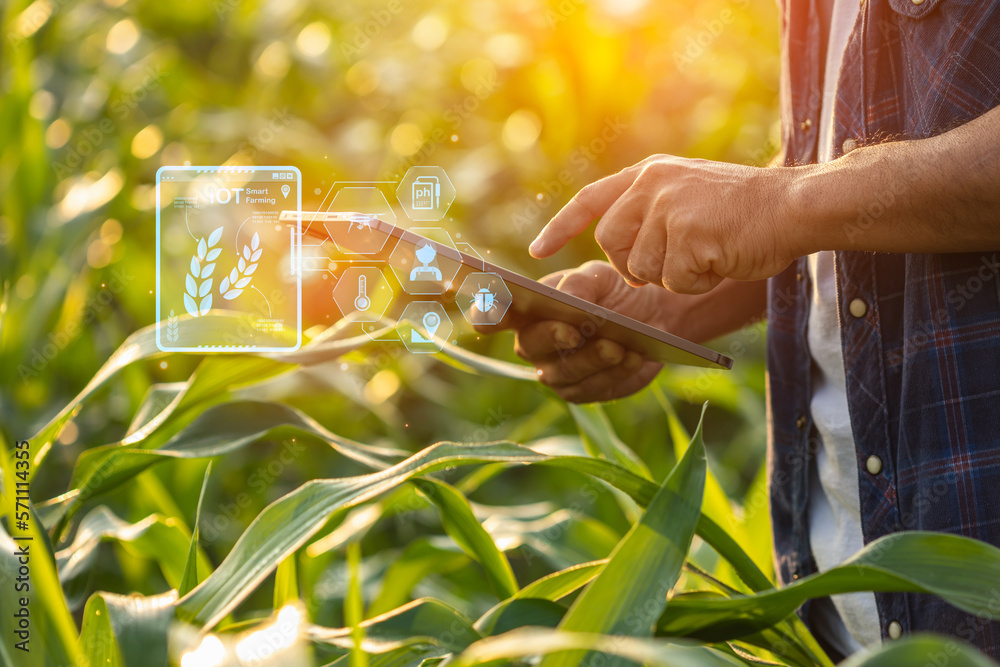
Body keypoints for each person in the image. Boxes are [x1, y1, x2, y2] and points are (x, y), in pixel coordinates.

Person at [500, 0, 1000, 660]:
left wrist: (781, 203)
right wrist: (674, 300)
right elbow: (846, 159)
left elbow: (808, 197)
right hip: (839, 611)